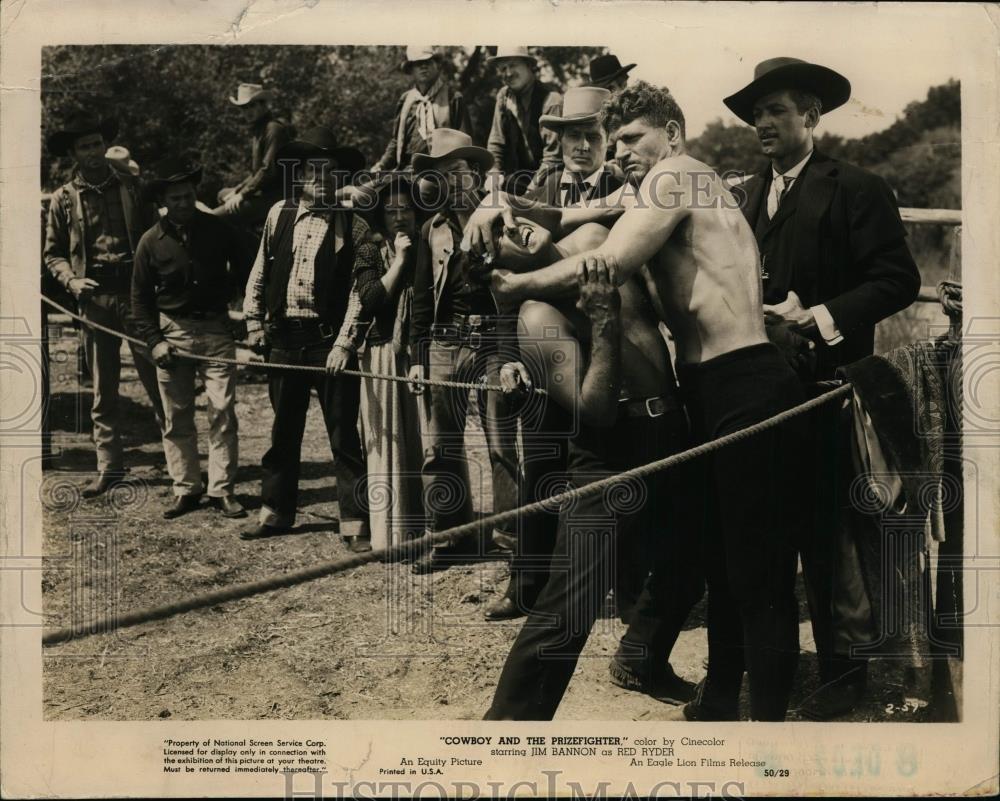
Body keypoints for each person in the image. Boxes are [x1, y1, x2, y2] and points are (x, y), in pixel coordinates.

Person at [469, 81, 810, 722]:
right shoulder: (649, 185)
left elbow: (611, 259)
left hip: (744, 382)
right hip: (709, 389)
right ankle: (717, 704)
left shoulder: (678, 174)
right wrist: (491, 201)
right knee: (720, 561)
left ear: (672, 135)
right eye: (616, 140)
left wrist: (514, 285)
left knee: (757, 572)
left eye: (633, 139)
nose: (622, 151)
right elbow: (567, 218)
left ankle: (768, 727)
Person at [724, 57, 921, 718]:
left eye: (776, 110)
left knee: (829, 536)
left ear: (811, 117)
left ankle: (844, 677)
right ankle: (771, 671)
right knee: (770, 533)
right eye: (756, 113)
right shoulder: (746, 195)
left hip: (831, 391)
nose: (762, 124)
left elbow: (896, 278)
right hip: (760, 397)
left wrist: (821, 316)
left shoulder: (857, 187)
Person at [241, 126, 375, 550]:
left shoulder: (351, 223)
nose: (321, 180)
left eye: (330, 172)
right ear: (298, 176)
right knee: (283, 432)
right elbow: (260, 271)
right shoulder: (279, 213)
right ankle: (276, 513)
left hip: (327, 342)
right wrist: (254, 322)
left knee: (343, 436)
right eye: (313, 171)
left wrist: (344, 344)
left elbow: (357, 291)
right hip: (283, 338)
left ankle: (354, 524)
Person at [405, 128, 520, 574]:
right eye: (440, 174)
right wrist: (418, 357)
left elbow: (512, 294)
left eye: (457, 171)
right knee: (441, 446)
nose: (451, 182)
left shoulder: (499, 221)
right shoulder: (430, 230)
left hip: (491, 340)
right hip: (443, 341)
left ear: (473, 173)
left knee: (500, 445)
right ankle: (451, 538)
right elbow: (418, 299)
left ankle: (511, 542)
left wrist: (510, 355)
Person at [43, 111, 165, 498]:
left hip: (135, 295)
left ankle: (185, 468)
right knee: (103, 389)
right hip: (94, 300)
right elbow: (53, 254)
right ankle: (109, 467)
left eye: (96, 143)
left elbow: (157, 234)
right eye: (84, 147)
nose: (92, 152)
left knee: (159, 377)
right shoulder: (64, 199)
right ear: (74, 154)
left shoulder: (132, 188)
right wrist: (72, 280)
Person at [130, 157, 246, 520]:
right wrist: (155, 341)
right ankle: (186, 489)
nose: (183, 203)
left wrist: (237, 304)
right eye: (175, 198)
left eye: (188, 195)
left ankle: (222, 489)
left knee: (222, 412)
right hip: (172, 335)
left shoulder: (219, 230)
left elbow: (248, 266)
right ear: (163, 202)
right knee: (176, 415)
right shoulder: (150, 242)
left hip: (215, 331)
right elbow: (140, 300)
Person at [348, 176, 426, 550]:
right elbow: (372, 300)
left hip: (419, 354)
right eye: (391, 210)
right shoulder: (368, 250)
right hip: (381, 354)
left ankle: (428, 529)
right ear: (380, 215)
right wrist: (399, 261)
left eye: (406, 209)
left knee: (423, 442)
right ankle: (391, 536)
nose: (399, 217)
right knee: (387, 443)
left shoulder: (430, 246)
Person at [371, 46, 473, 174]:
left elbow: (466, 142)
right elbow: (396, 141)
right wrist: (381, 165)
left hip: (441, 171)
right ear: (411, 70)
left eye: (428, 62)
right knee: (362, 192)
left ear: (437, 65)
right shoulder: (406, 100)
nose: (423, 67)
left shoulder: (453, 98)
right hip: (407, 170)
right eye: (418, 63)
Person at [525, 86, 624, 208]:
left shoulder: (624, 198)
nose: (583, 147)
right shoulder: (532, 200)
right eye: (574, 136)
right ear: (560, 138)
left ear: (608, 140)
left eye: (593, 137)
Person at [213, 83, 295, 226]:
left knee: (214, 218)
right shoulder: (259, 130)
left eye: (252, 106)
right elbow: (256, 172)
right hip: (265, 192)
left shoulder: (273, 129)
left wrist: (242, 194)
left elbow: (268, 170)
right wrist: (239, 189)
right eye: (244, 108)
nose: (248, 111)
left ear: (263, 106)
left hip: (279, 196)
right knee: (223, 194)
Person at [485, 47, 562, 195]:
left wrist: (531, 190)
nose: (508, 73)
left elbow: (554, 158)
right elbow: (496, 142)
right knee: (484, 194)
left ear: (528, 65)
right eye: (502, 69)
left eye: (513, 65)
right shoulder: (504, 97)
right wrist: (493, 173)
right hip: (520, 176)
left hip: (552, 174)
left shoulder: (551, 99)